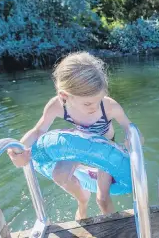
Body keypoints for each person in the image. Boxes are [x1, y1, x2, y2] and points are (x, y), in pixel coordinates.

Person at [7, 52, 141, 220]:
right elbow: (39, 131)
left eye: (98, 100)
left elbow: (130, 128)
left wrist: (133, 139)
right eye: (87, 103)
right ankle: (82, 199)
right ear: (65, 96)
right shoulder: (57, 105)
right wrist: (17, 149)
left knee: (102, 199)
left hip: (104, 151)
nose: (94, 106)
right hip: (78, 145)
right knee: (59, 176)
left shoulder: (109, 106)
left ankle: (112, 228)